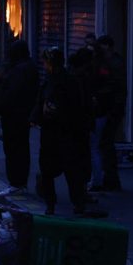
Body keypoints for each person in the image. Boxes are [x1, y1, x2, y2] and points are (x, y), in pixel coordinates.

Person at [30, 47, 95, 216]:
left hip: (64, 133)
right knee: (61, 171)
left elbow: (76, 107)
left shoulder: (66, 81)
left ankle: (62, 204)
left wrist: (50, 113)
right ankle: (62, 204)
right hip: (57, 133)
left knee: (65, 171)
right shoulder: (54, 80)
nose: (44, 65)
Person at [0, 40, 39, 196]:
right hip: (23, 115)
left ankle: (16, 182)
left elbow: (11, 94)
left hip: (13, 115)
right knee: (22, 149)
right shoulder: (30, 67)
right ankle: (20, 182)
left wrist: (1, 106)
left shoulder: (18, 70)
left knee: (13, 149)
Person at [94, 35, 126, 192]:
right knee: (105, 144)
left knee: (105, 144)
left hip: (112, 108)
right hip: (110, 107)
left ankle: (111, 179)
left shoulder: (114, 63)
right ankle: (110, 179)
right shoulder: (109, 62)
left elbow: (115, 86)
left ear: (107, 46)